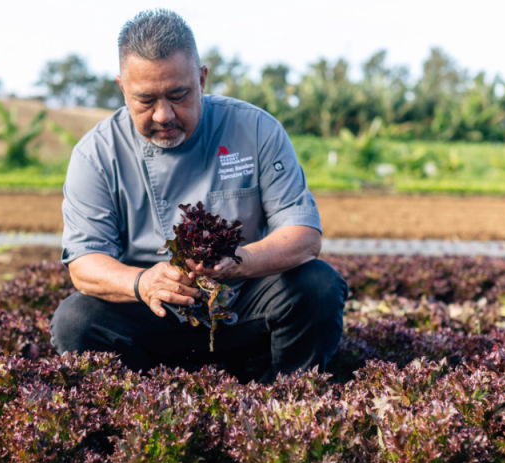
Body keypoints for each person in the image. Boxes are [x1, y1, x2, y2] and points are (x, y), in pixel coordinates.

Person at [50, 9, 348, 384]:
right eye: (145, 100)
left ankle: (284, 402)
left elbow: (304, 235)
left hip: (243, 306)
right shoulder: (96, 154)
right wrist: (143, 283)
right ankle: (146, 408)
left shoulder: (255, 129)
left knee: (317, 286)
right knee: (75, 321)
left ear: (202, 79)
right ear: (122, 88)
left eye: (178, 95)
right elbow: (84, 262)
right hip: (153, 316)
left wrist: (237, 261)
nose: (163, 114)